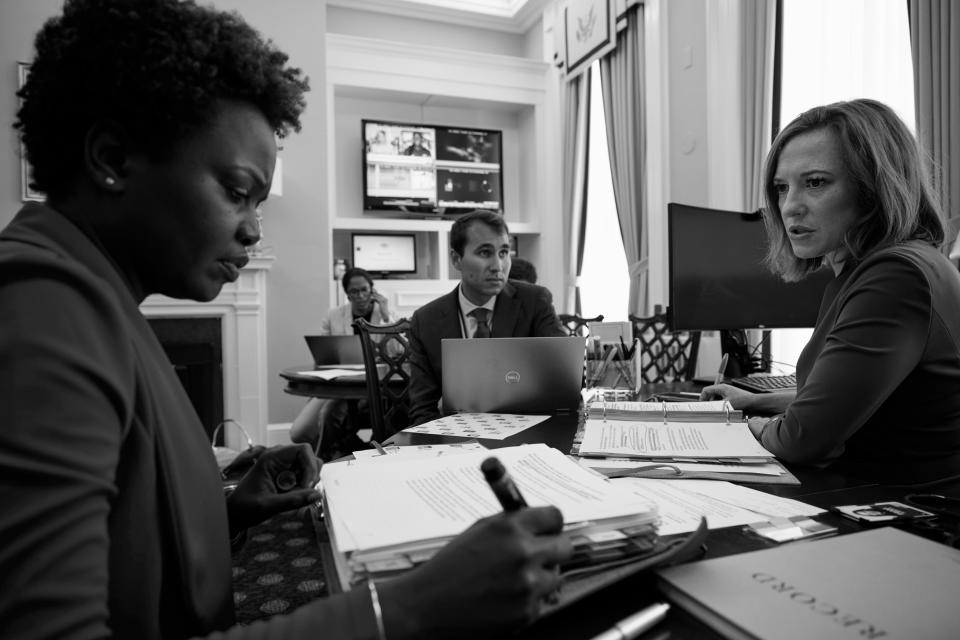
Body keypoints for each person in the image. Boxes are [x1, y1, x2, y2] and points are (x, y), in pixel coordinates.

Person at [0, 1, 571, 639]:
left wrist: (224, 510)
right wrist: (415, 605)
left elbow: (121, 542)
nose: (250, 228)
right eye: (237, 192)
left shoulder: (96, 302)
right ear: (112, 156)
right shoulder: (38, 310)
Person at [701, 99, 960, 485]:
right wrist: (754, 401)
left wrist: (742, 426)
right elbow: (845, 401)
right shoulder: (884, 267)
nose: (789, 207)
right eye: (781, 188)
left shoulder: (893, 277)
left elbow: (802, 440)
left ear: (874, 187)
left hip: (904, 515)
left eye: (816, 182)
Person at [408, 210, 565, 425]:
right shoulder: (426, 321)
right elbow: (423, 410)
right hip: (455, 440)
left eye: (503, 253)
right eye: (484, 253)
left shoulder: (535, 302)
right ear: (456, 259)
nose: (498, 266)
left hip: (527, 435)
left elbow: (566, 380)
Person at [290, 267, 395, 459]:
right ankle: (347, 450)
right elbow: (323, 355)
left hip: (374, 388)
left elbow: (398, 350)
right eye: (354, 292)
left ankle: (328, 460)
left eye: (364, 289)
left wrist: (387, 317)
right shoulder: (334, 316)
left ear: (373, 290)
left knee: (329, 417)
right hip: (338, 384)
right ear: (347, 294)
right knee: (300, 432)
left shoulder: (385, 314)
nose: (361, 296)